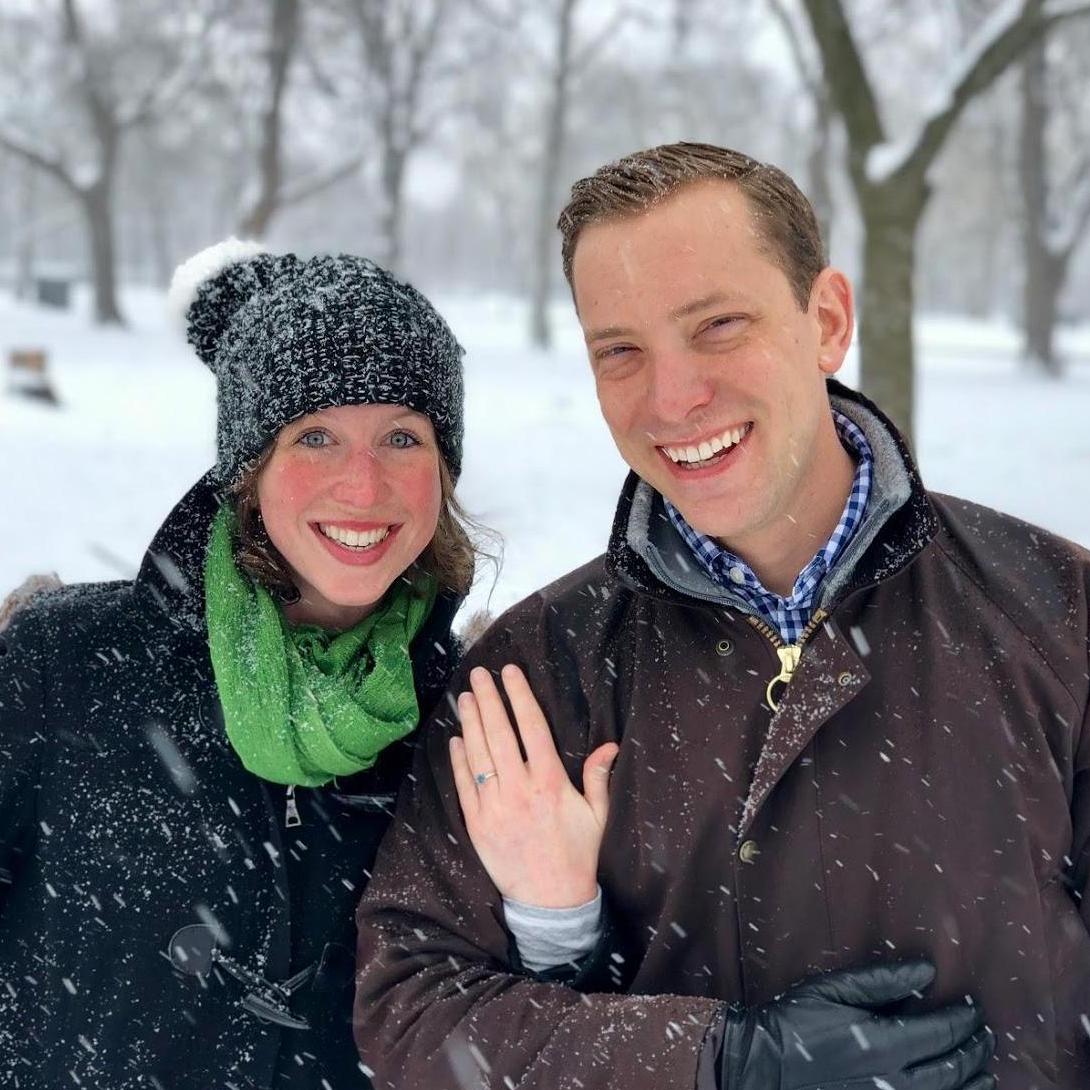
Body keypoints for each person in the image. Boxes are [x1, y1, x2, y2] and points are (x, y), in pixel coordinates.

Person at [354, 143, 1090, 1090]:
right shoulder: (537, 671)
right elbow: (412, 1009)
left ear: (826, 320)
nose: (673, 398)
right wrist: (719, 1063)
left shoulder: (1057, 615)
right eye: (620, 350)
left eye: (718, 325)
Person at [0, 240, 499, 1089]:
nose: (363, 483)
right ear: (247, 468)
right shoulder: (62, 662)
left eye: (401, 437)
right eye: (315, 435)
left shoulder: (475, 715)